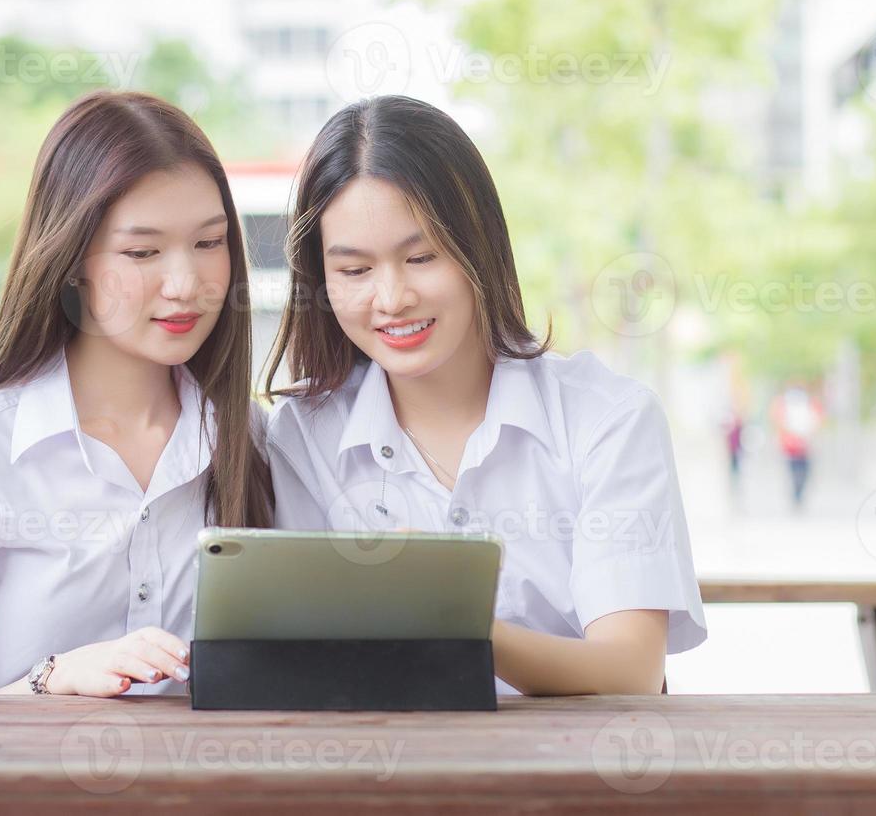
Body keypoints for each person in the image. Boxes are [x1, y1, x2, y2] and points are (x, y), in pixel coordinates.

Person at [264, 95, 706, 696]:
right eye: (354, 271)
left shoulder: (606, 419)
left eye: (421, 257)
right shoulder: (301, 435)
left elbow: (629, 671)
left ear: (479, 247)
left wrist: (452, 609)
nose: (391, 298)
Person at [0, 91, 273, 696]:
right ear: (69, 260)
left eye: (208, 242)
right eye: (142, 252)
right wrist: (51, 682)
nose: (185, 283)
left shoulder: (252, 439)